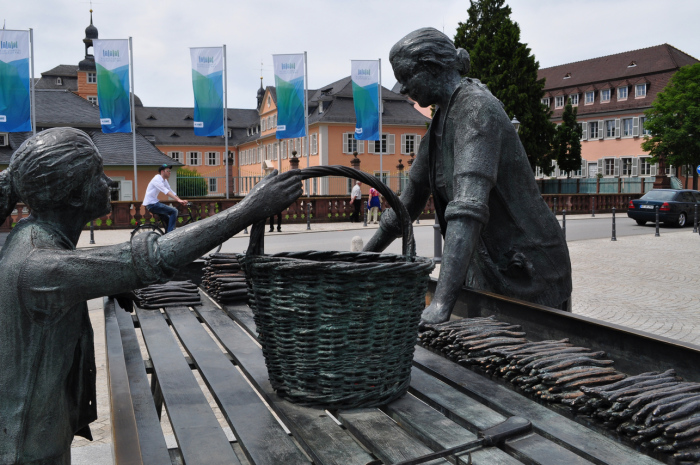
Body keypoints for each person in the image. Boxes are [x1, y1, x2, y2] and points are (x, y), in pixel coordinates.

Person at [0, 128, 302, 464]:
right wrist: (249, 209)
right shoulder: (37, 265)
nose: (107, 180)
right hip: (26, 449)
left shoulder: (33, 239)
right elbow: (154, 257)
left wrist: (112, 281)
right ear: (73, 195)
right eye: (98, 173)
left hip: (35, 434)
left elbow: (82, 275)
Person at [364, 28, 571, 324]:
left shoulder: (476, 110)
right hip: (490, 267)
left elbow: (467, 210)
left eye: (407, 77)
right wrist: (360, 259)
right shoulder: (438, 123)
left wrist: (441, 304)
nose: (402, 89)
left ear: (432, 68)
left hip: (529, 269)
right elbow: (406, 207)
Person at [143, 163, 188, 233]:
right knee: (174, 211)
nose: (170, 172)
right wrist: (178, 200)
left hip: (154, 203)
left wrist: (180, 200)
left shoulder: (165, 180)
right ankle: (170, 235)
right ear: (162, 172)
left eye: (170, 171)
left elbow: (171, 191)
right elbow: (166, 192)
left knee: (168, 219)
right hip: (152, 204)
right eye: (168, 171)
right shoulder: (157, 179)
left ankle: (166, 236)